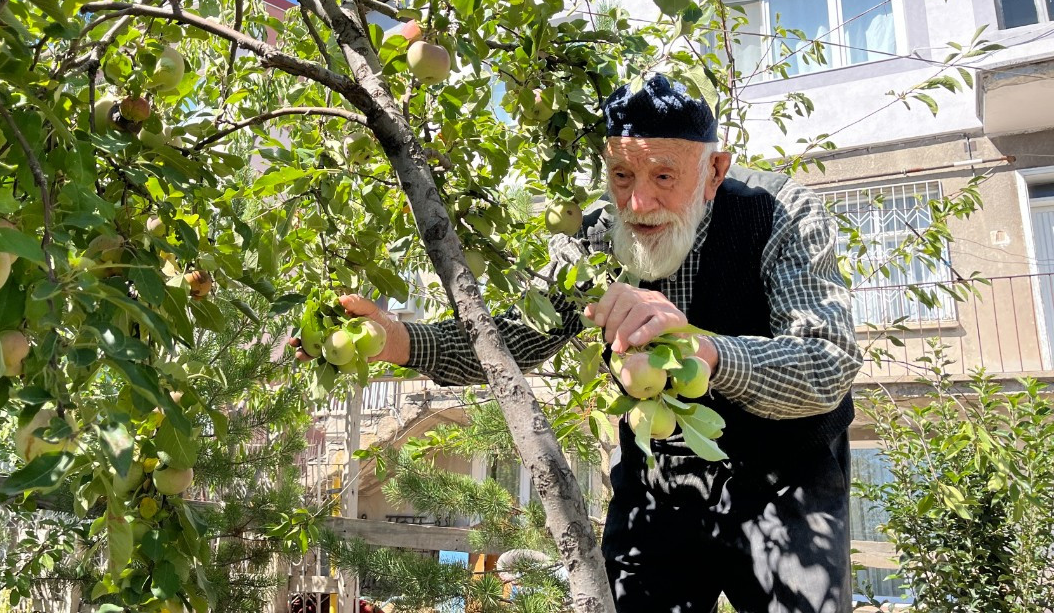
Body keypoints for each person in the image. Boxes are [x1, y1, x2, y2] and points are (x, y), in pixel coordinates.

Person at [292, 74, 862, 613]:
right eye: (622, 177)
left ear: (714, 171)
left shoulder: (781, 216)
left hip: (785, 482)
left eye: (665, 176)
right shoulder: (594, 239)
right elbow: (515, 339)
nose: (638, 204)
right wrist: (400, 341)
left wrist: (705, 351)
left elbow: (828, 364)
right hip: (660, 482)